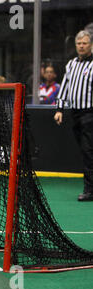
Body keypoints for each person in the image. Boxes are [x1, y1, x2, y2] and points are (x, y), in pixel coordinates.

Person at [54, 30, 93, 201]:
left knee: (88, 151)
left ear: (91, 45)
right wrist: (59, 109)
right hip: (75, 113)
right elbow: (65, 87)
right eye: (79, 43)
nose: (81, 46)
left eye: (84, 43)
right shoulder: (71, 64)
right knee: (86, 152)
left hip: (90, 112)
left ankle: (90, 190)